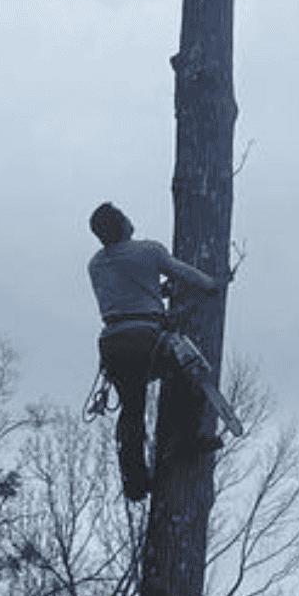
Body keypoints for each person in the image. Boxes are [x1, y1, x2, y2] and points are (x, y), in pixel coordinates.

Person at [88, 202, 222, 501]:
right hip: (145, 337)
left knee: (132, 411)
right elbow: (190, 276)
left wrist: (158, 292)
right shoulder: (150, 251)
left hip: (113, 343)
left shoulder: (96, 264)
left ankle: (135, 482)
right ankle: (189, 439)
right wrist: (215, 284)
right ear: (122, 223)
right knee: (191, 372)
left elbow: (129, 289)